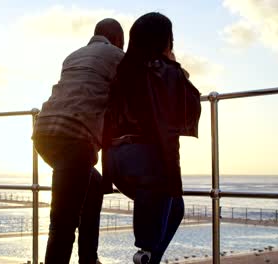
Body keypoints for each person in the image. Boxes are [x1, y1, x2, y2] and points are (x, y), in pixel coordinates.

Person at [102, 12, 201, 264]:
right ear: (164, 41)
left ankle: (148, 258)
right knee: (161, 193)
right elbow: (189, 109)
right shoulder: (162, 70)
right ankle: (146, 256)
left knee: (175, 208)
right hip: (146, 164)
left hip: (115, 162)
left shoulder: (122, 72)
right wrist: (176, 66)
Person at [32, 18, 125, 264]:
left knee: (93, 186)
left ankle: (89, 258)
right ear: (117, 39)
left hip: (43, 134)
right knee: (63, 222)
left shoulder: (72, 56)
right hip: (76, 138)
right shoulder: (117, 55)